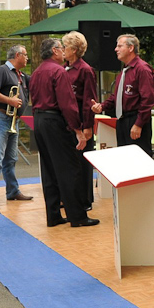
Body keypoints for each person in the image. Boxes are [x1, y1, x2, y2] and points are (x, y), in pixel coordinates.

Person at [28, 38, 99, 228]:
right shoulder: (58, 71)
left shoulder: (36, 72)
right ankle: (78, 216)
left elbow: (32, 98)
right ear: (54, 51)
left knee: (49, 169)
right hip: (54, 121)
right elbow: (67, 104)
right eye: (61, 47)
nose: (63, 51)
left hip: (39, 120)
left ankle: (53, 215)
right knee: (69, 168)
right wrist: (77, 129)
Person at [0, 44, 33, 209]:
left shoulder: (22, 75)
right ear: (17, 55)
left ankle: (12, 191)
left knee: (11, 159)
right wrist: (9, 100)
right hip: (0, 117)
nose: (27, 58)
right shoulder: (2, 71)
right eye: (25, 55)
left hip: (13, 120)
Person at [92, 34, 154, 157]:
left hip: (136, 120)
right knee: (125, 159)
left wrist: (138, 124)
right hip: (122, 121)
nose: (116, 49)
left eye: (120, 46)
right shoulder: (125, 71)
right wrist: (102, 106)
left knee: (139, 159)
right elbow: (117, 97)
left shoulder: (142, 69)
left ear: (131, 48)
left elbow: (148, 100)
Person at [62, 31, 98, 210]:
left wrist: (88, 126)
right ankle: (70, 197)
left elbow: (89, 100)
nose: (62, 50)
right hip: (68, 123)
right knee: (69, 162)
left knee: (82, 163)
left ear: (74, 50)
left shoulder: (85, 70)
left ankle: (85, 200)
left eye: (65, 47)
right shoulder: (64, 68)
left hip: (81, 122)